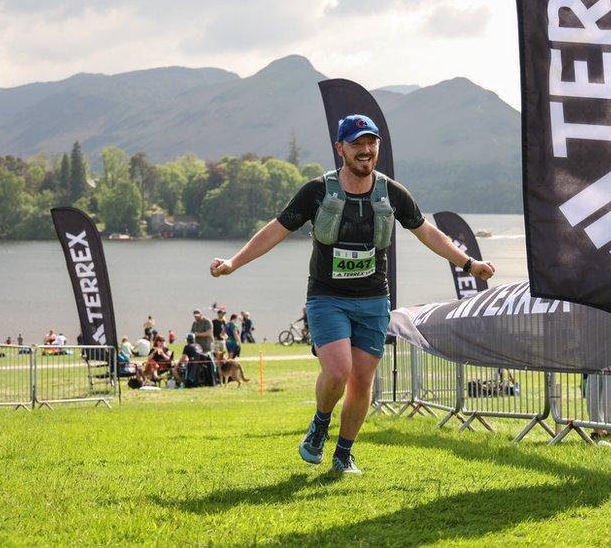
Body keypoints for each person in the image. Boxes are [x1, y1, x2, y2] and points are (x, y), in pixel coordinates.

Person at [210, 114, 495, 474]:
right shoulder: (318, 191)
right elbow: (277, 230)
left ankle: (344, 454)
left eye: (371, 143)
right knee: (339, 370)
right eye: (357, 143)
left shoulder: (391, 193)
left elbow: (426, 232)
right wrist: (234, 263)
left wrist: (468, 263)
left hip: (374, 299)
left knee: (362, 380)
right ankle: (320, 421)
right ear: (340, 148)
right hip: (327, 297)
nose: (365, 150)